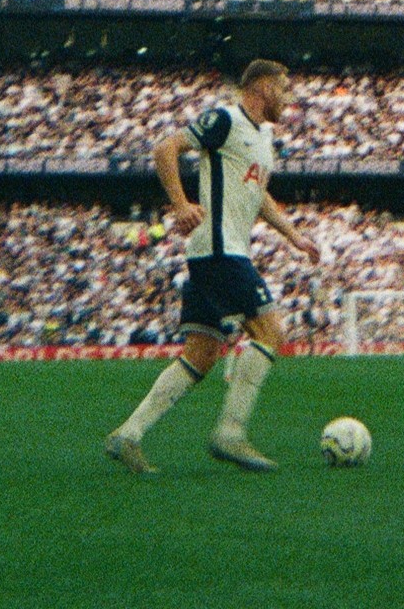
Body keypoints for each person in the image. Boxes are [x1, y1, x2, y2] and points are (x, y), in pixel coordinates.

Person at [106, 60, 320, 475]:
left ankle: (127, 435)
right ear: (261, 87)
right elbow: (165, 148)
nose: (288, 98)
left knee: (201, 355)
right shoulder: (225, 120)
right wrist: (182, 204)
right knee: (270, 331)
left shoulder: (264, 137)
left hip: (218, 252)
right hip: (220, 250)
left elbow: (258, 194)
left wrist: (293, 235)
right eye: (283, 88)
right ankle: (230, 433)